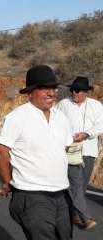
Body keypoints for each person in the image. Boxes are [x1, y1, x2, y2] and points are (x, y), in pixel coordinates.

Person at [0, 65, 73, 240]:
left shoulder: (61, 118)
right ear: (30, 92)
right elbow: (0, 151)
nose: (51, 93)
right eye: (44, 88)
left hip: (61, 193)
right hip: (32, 195)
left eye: (53, 88)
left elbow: (64, 148)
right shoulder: (17, 118)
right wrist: (8, 181)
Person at [56, 76, 103, 229]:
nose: (74, 93)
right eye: (72, 90)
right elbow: (55, 122)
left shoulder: (96, 106)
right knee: (72, 184)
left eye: (78, 91)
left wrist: (87, 134)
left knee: (80, 186)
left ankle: (73, 215)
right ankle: (82, 216)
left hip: (88, 150)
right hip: (69, 150)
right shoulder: (63, 104)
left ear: (86, 92)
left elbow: (101, 125)